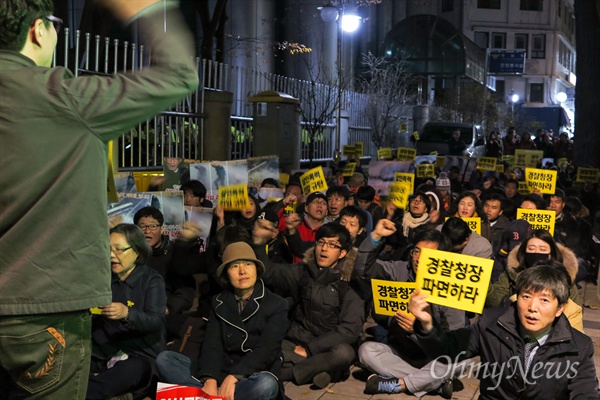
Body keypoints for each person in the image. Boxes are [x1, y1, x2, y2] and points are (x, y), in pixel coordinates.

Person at [0, 1, 198, 398]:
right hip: (43, 310)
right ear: (39, 30)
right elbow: (177, 74)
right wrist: (144, 9)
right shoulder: (62, 97)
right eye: (55, 24)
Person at [409, 264, 599, 399]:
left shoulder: (579, 346)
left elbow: (586, 392)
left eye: (544, 300)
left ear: (560, 308)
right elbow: (447, 350)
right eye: (526, 297)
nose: (532, 307)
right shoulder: (490, 324)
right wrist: (427, 323)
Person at [156, 242, 289, 400]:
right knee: (165, 360)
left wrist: (234, 377)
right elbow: (212, 345)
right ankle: (213, 395)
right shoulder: (218, 302)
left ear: (256, 269)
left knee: (266, 385)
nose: (242, 271)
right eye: (234, 266)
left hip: (251, 375)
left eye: (247, 264)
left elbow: (266, 351)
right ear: (226, 273)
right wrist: (209, 379)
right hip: (221, 372)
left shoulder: (277, 304)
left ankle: (206, 397)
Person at [356, 224, 464, 398]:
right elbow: (363, 270)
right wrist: (375, 237)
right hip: (402, 354)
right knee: (366, 351)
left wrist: (419, 331)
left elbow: (454, 341)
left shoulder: (451, 288)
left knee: (458, 361)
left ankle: (397, 385)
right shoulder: (399, 270)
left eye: (428, 255)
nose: (419, 259)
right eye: (416, 251)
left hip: (435, 356)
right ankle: (433, 385)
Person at [262, 223, 365, 389]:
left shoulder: (350, 281)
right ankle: (321, 371)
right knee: (266, 342)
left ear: (342, 253)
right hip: (296, 340)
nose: (324, 249)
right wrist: (259, 244)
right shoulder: (303, 271)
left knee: (344, 354)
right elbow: (271, 273)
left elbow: (349, 329)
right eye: (321, 242)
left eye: (332, 245)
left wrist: (310, 350)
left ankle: (285, 373)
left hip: (328, 346)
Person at [87, 224, 166, 399]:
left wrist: (127, 314)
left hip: (141, 357)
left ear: (137, 251)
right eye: (108, 249)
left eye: (119, 250)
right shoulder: (104, 279)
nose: (111, 255)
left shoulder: (151, 280)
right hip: (105, 353)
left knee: (129, 371)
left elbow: (156, 321)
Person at [133, 206, 199, 340]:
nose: (147, 231)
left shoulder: (175, 254)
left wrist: (169, 308)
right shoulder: (129, 254)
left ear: (162, 229)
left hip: (164, 313)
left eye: (152, 226)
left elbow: (186, 291)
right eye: (142, 226)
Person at [486, 229, 581, 308]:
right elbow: (496, 302)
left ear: (551, 254)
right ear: (524, 252)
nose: (536, 252)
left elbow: (573, 312)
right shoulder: (512, 273)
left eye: (542, 250)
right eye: (531, 249)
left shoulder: (564, 278)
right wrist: (485, 285)